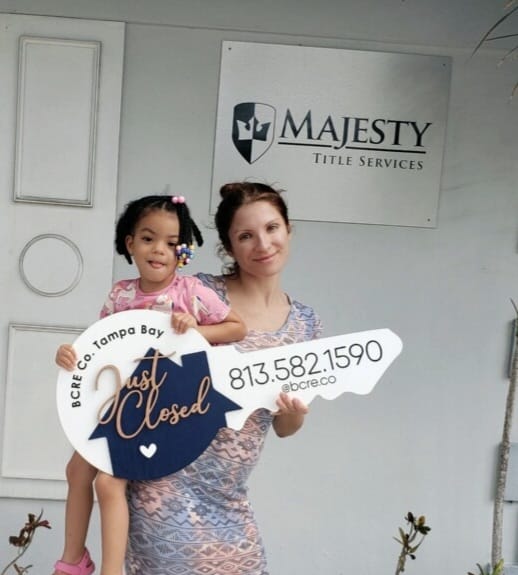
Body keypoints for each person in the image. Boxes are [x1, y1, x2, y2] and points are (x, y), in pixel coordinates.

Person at [125, 181, 323, 575]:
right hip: (165, 487)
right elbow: (132, 351)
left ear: (288, 229)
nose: (262, 244)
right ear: (229, 247)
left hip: (229, 496)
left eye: (272, 228)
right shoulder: (195, 293)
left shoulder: (306, 324)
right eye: (246, 236)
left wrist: (295, 412)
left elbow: (285, 427)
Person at [53, 194, 248, 575]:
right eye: (148, 238)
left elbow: (237, 327)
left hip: (163, 406)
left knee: (109, 482)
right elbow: (100, 346)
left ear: (183, 251)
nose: (159, 250)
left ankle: (112, 571)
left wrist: (197, 328)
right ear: (130, 243)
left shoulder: (190, 292)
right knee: (77, 469)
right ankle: (74, 559)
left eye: (171, 243)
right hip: (121, 396)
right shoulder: (121, 294)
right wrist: (70, 355)